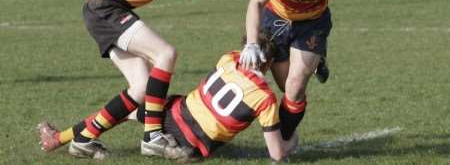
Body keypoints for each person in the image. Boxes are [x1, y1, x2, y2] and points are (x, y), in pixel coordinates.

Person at [37, 0, 255, 160]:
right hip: (104, 7)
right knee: (165, 53)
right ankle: (152, 137)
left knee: (140, 88)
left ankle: (80, 139)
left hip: (109, 9)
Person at [239, 0, 398, 141]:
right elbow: (255, 2)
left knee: (295, 87)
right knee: (286, 86)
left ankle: (281, 141)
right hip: (278, 20)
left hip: (313, 21)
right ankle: (316, 59)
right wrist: (252, 45)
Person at [38, 31, 298, 162]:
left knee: (129, 108)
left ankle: (62, 139)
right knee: (137, 107)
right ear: (271, 62)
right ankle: (67, 140)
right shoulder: (265, 99)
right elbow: (276, 154)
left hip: (171, 118)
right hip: (193, 146)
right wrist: (291, 141)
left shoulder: (229, 59)